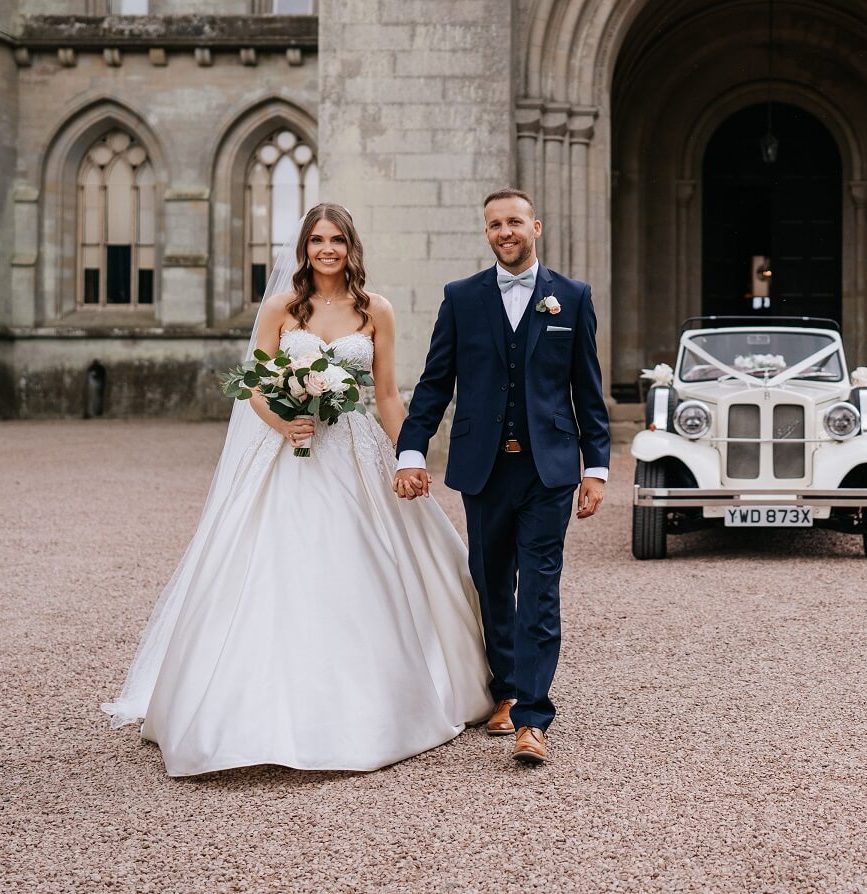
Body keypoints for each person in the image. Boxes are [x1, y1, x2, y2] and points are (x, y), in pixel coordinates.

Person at [101, 203, 493, 777]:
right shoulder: (285, 308)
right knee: (274, 566)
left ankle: (386, 695)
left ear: (350, 246)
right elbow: (255, 383)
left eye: (336, 240)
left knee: (373, 560)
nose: (327, 250)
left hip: (356, 447)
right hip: (292, 452)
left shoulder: (374, 310)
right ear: (305, 248)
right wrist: (285, 423)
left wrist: (407, 453)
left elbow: (385, 394)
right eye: (317, 241)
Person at [394, 188, 611, 765]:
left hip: (550, 469)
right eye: (494, 225)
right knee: (491, 582)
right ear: (486, 233)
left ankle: (534, 718)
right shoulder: (461, 298)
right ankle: (507, 689)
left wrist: (597, 468)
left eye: (514, 222)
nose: (504, 232)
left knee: (540, 586)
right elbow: (435, 382)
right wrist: (411, 451)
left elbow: (587, 391)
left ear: (535, 226)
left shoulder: (572, 297)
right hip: (483, 467)